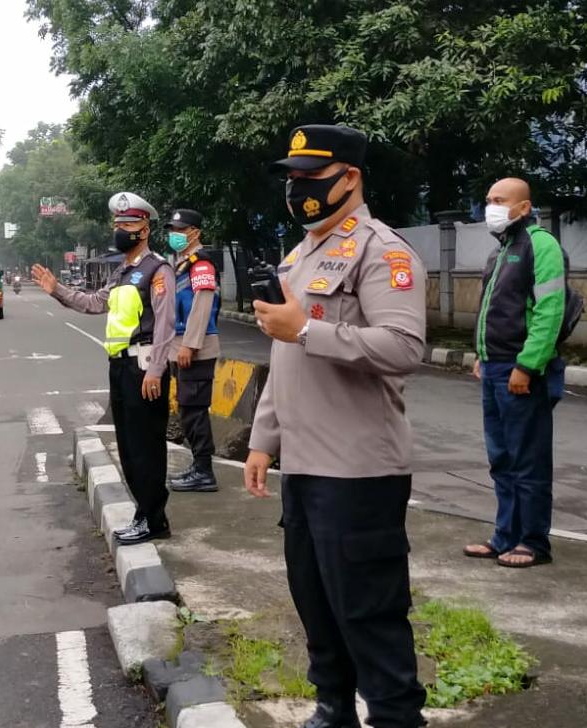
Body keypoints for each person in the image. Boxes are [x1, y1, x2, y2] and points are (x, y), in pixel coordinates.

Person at [243, 124, 428, 728]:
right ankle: (332, 710)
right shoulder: (299, 255)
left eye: (310, 177)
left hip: (358, 470)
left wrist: (306, 329)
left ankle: (396, 717)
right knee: (317, 606)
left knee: (368, 614)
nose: (298, 189)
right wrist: (263, 440)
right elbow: (283, 357)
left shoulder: (384, 252)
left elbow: (403, 349)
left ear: (350, 176)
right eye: (292, 178)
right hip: (304, 465)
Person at [32, 192, 176, 545]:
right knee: (128, 446)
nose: (121, 229)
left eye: (128, 224)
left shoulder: (158, 270)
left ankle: (153, 518)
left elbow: (166, 324)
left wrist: (156, 370)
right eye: (117, 224)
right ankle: (144, 513)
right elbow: (96, 303)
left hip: (144, 369)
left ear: (145, 228)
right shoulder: (124, 272)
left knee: (146, 447)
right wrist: (57, 290)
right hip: (121, 368)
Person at [463, 178, 566, 569]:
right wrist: (482, 355)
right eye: (488, 199)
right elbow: (496, 311)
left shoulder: (541, 246)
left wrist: (527, 364)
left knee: (528, 460)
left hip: (522, 370)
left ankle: (533, 541)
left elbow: (549, 311)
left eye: (500, 200)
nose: (491, 206)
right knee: (501, 459)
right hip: (493, 367)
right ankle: (504, 536)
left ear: (524, 208)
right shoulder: (501, 250)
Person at [164, 208, 221, 492]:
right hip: (181, 347)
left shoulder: (201, 265)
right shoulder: (180, 264)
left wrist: (189, 345)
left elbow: (202, 307)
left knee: (194, 410)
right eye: (172, 230)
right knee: (187, 409)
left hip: (196, 349)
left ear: (195, 232)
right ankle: (199, 467)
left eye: (180, 230)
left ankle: (204, 471)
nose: (174, 235)